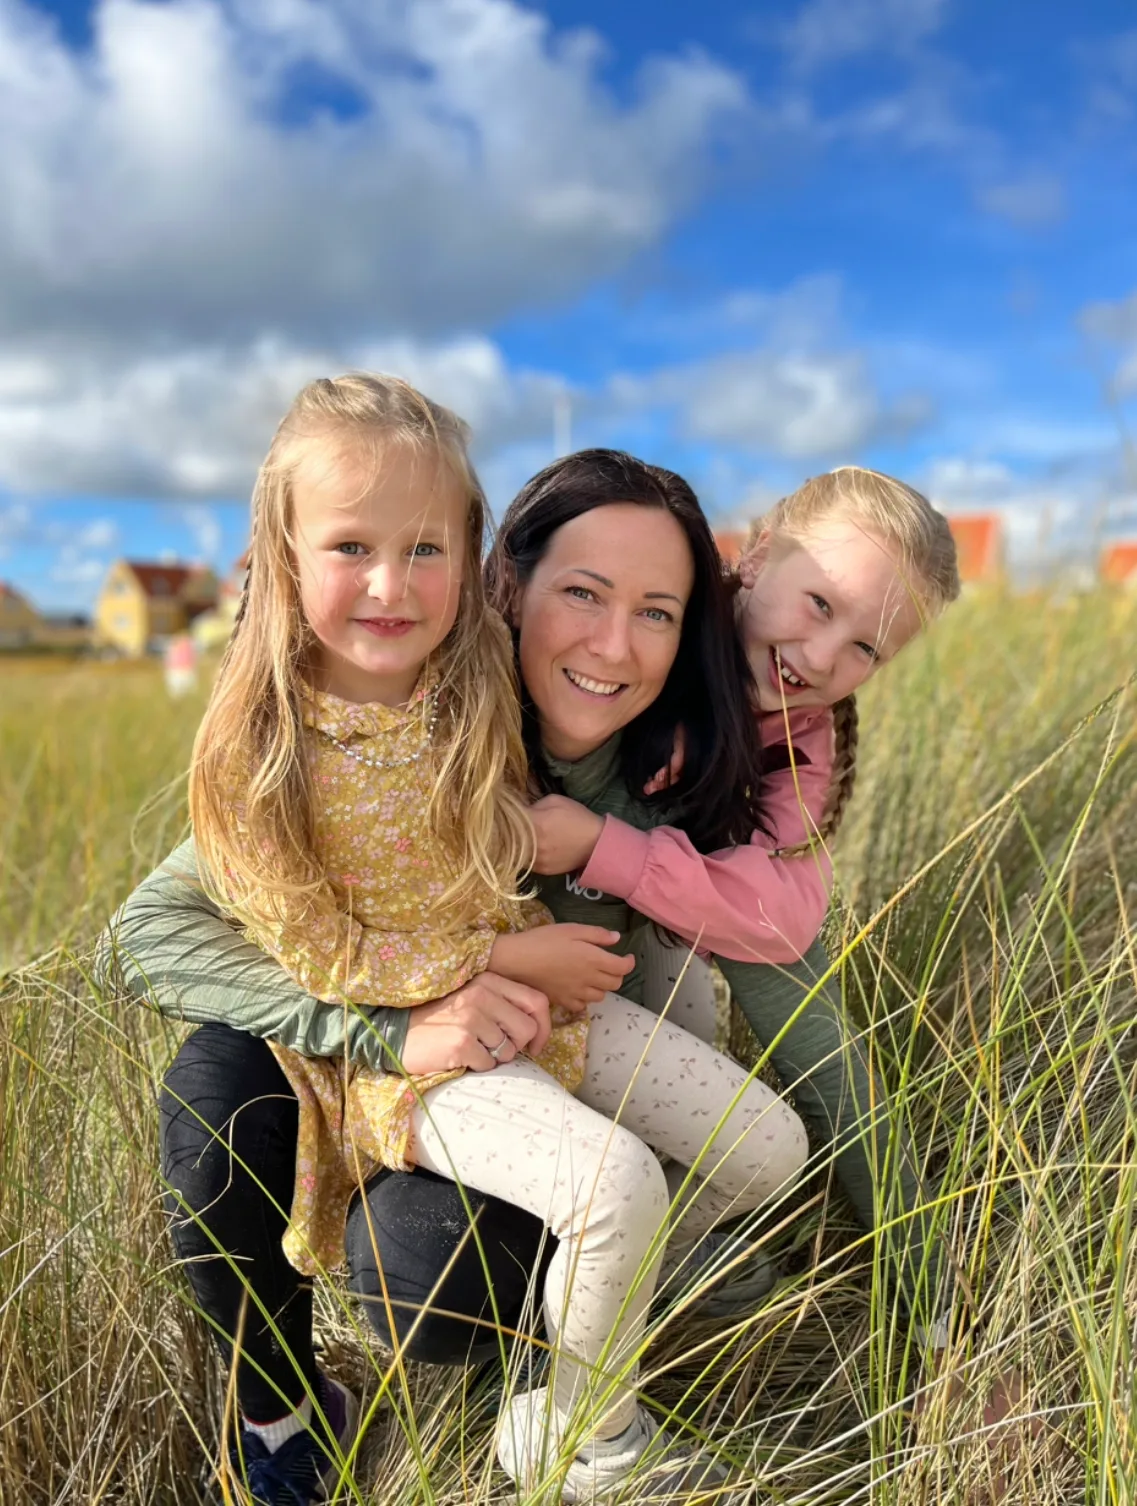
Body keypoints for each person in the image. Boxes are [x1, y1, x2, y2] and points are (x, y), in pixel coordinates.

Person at [113, 380, 808, 1504]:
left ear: (473, 559)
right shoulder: (259, 748)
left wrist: (811, 676)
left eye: (426, 548)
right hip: (411, 1057)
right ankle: (587, 1441)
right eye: (351, 546)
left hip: (545, 1007)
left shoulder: (467, 674)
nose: (393, 585)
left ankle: (580, 1336)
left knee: (766, 1147)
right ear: (282, 554)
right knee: (615, 1182)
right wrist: (488, 965)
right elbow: (310, 948)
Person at [527, 465, 962, 1339]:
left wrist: (608, 849)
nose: (821, 658)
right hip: (495, 949)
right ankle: (560, 1277)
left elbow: (779, 921)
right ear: (756, 557)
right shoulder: (641, 625)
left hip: (621, 938)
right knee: (683, 1021)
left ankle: (927, 1301)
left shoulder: (798, 738)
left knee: (795, 1036)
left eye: (866, 650)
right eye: (819, 604)